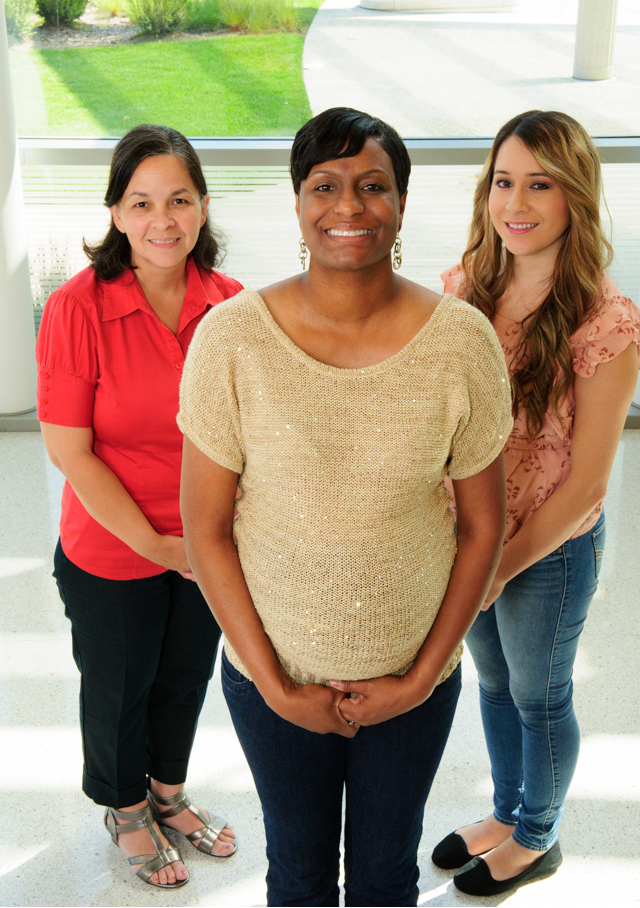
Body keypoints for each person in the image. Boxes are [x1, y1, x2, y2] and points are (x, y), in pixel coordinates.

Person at [178, 106, 513, 907]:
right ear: (297, 204)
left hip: (413, 681)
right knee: (296, 873)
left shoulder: (462, 342)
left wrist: (422, 676)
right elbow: (206, 528)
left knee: (385, 874)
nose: (349, 207)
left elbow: (482, 527)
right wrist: (274, 685)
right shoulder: (231, 339)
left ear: (400, 204)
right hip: (272, 678)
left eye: (373, 186)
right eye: (324, 185)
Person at [432, 110, 640, 897]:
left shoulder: (605, 322)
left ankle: (539, 835)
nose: (514, 202)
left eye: (539, 184)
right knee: (492, 685)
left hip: (547, 547)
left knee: (538, 692)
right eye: (502, 181)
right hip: (476, 535)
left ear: (574, 197)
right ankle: (506, 810)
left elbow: (587, 482)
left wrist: (502, 562)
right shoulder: (464, 289)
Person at [37, 124, 243, 889]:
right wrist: (160, 547)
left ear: (202, 207)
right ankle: (125, 809)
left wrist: (206, 543)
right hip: (114, 546)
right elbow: (71, 451)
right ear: (117, 214)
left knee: (185, 675)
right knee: (119, 684)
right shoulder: (76, 307)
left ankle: (168, 794)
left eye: (179, 200)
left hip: (207, 542)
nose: (164, 220)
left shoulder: (231, 306)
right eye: (142, 202)